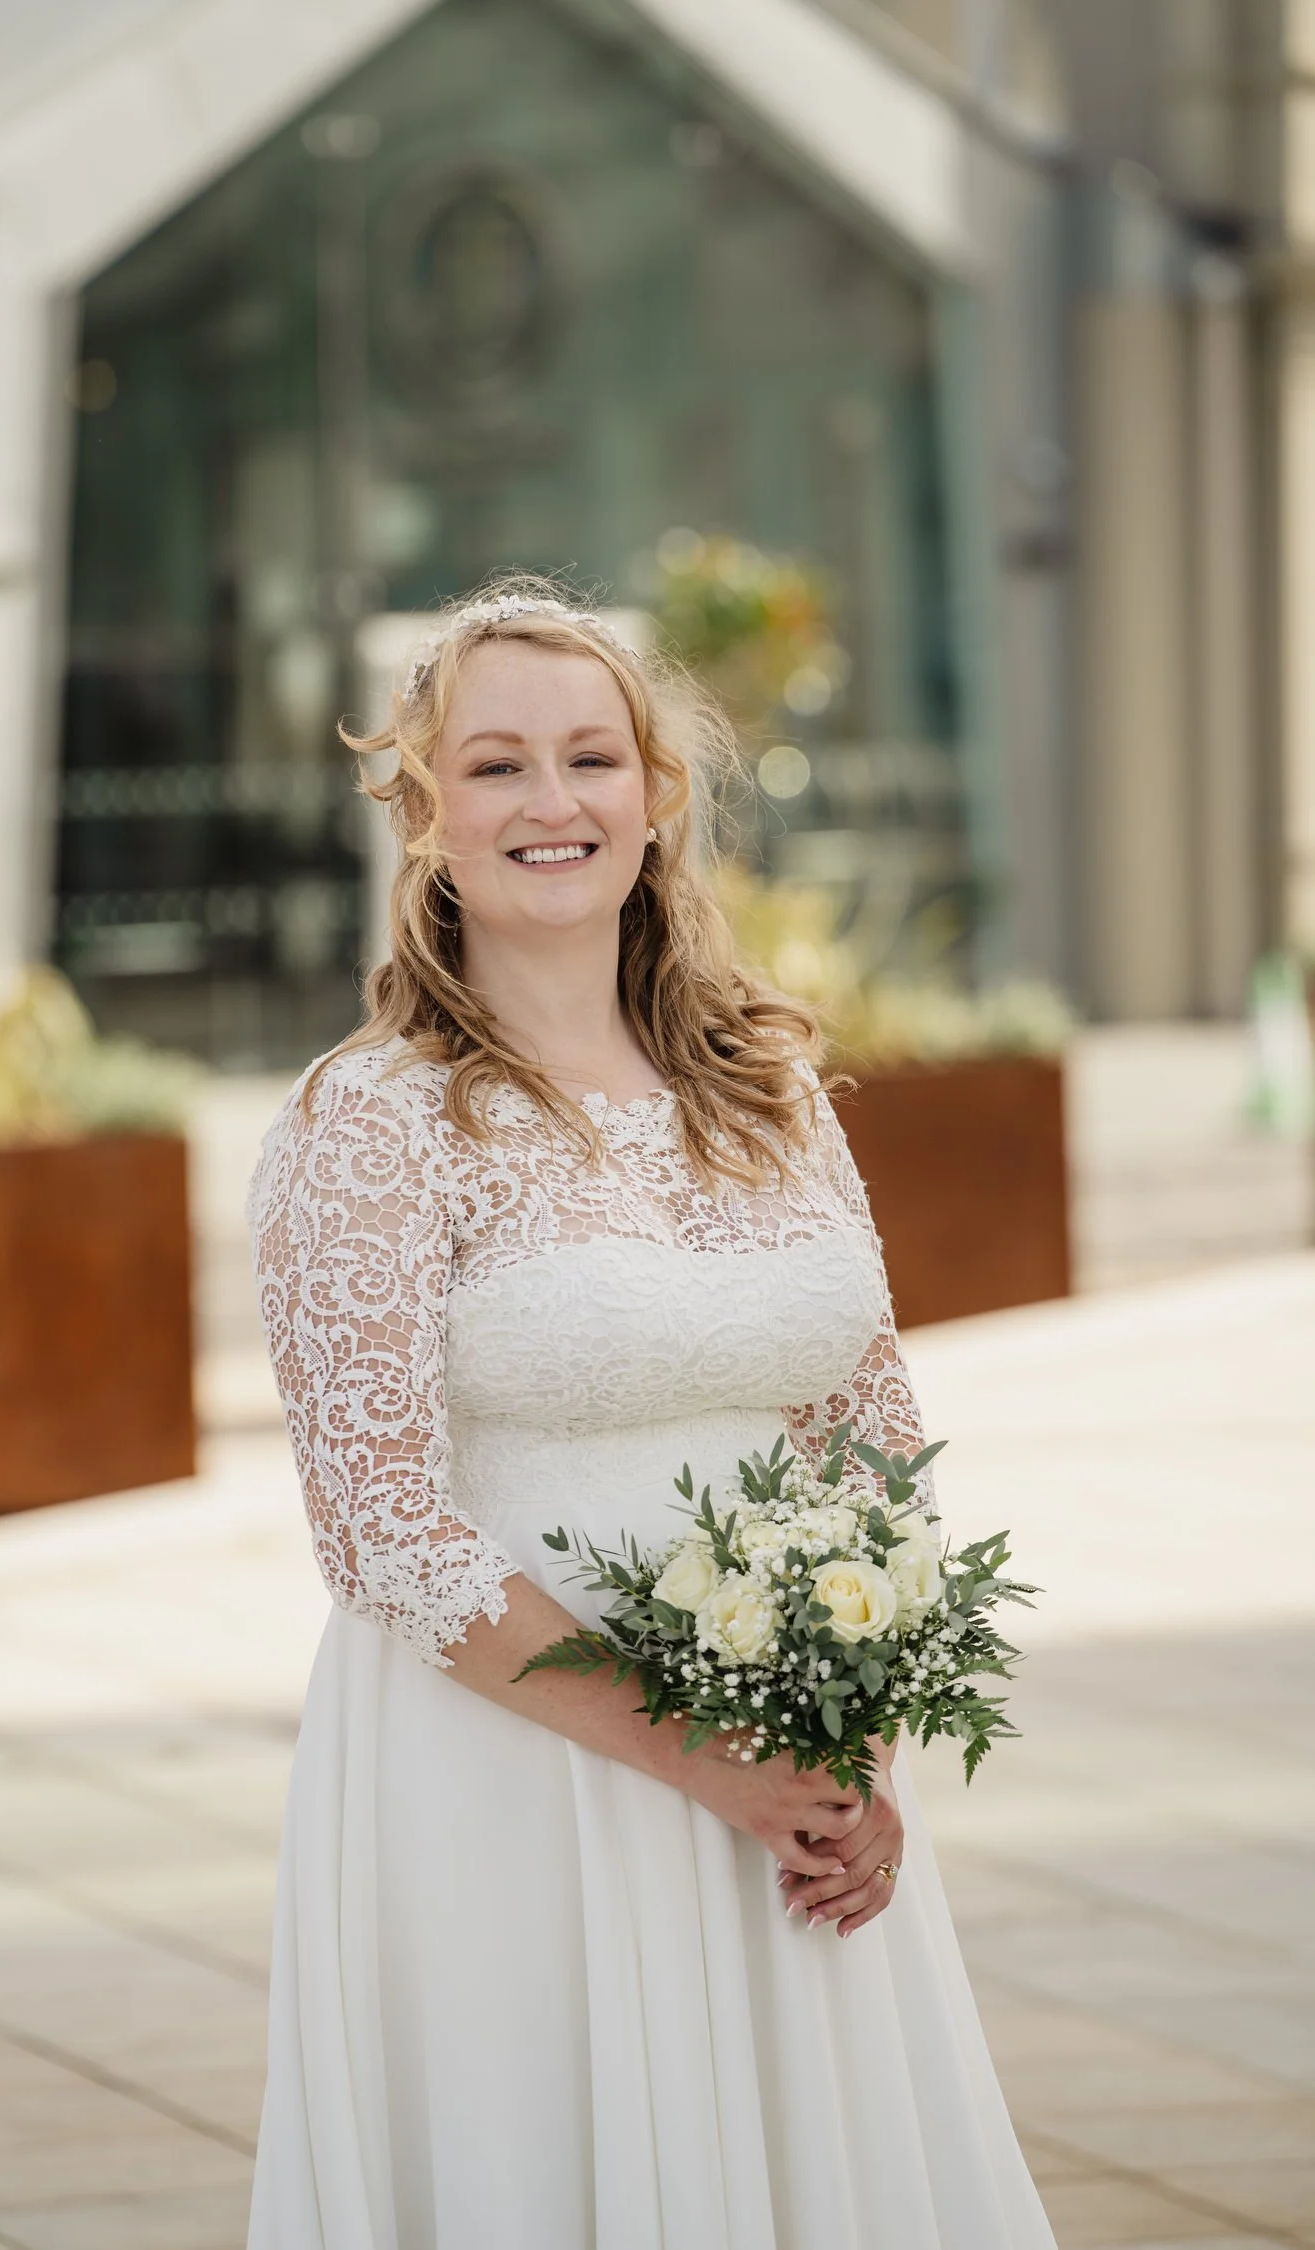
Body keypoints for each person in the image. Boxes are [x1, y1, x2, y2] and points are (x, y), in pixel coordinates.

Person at [245, 579, 1056, 2250]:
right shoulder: (374, 1125)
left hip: (789, 1793)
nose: (552, 803)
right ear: (424, 813)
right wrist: (709, 1762)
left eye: (591, 757)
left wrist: (848, 1751)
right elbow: (382, 1531)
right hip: (518, 1783)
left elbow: (873, 1438)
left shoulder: (766, 1088)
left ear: (655, 796)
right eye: (495, 766)